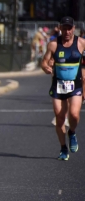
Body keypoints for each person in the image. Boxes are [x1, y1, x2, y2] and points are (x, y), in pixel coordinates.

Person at [41, 16, 85, 161]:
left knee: (74, 114)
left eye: (69, 28)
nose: (67, 32)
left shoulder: (81, 43)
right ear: (60, 28)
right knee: (60, 119)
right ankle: (63, 148)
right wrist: (46, 68)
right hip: (58, 86)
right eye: (64, 28)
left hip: (75, 85)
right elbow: (44, 62)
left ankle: (71, 132)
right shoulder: (53, 44)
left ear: (74, 28)